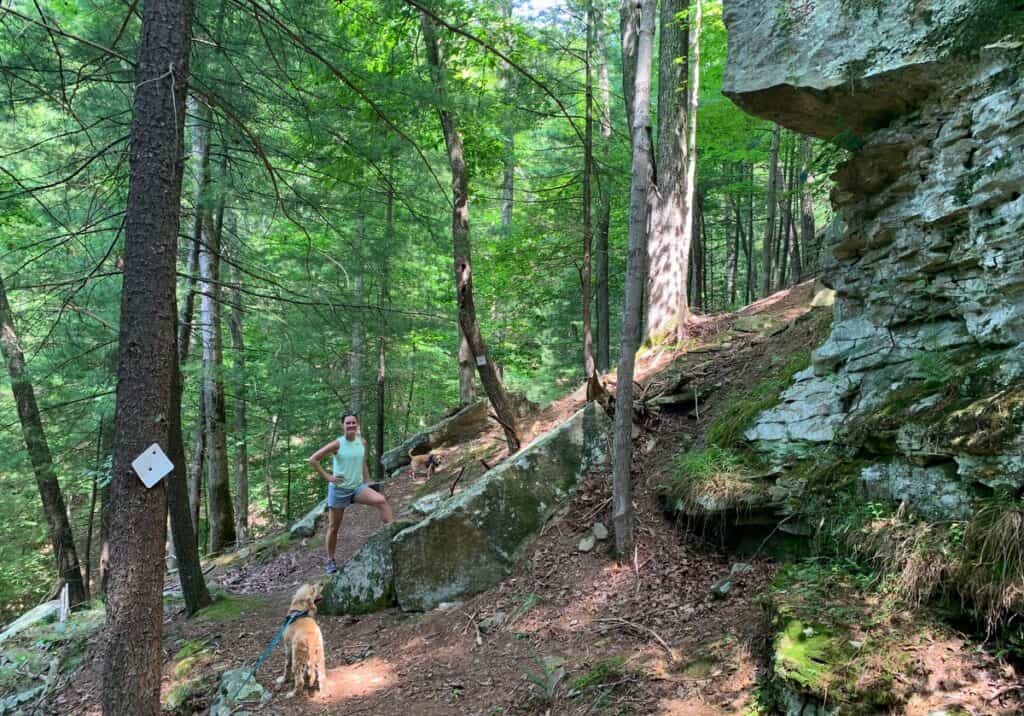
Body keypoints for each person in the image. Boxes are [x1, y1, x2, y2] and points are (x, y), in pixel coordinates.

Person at [308, 413, 393, 574]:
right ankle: (330, 560)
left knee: (381, 501)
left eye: (354, 422)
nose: (351, 425)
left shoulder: (362, 442)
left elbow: (362, 462)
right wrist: (329, 477)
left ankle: (393, 535)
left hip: (357, 488)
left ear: (357, 424)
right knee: (334, 527)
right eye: (348, 423)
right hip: (339, 490)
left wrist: (367, 480)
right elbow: (313, 459)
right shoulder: (337, 444)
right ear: (343, 425)